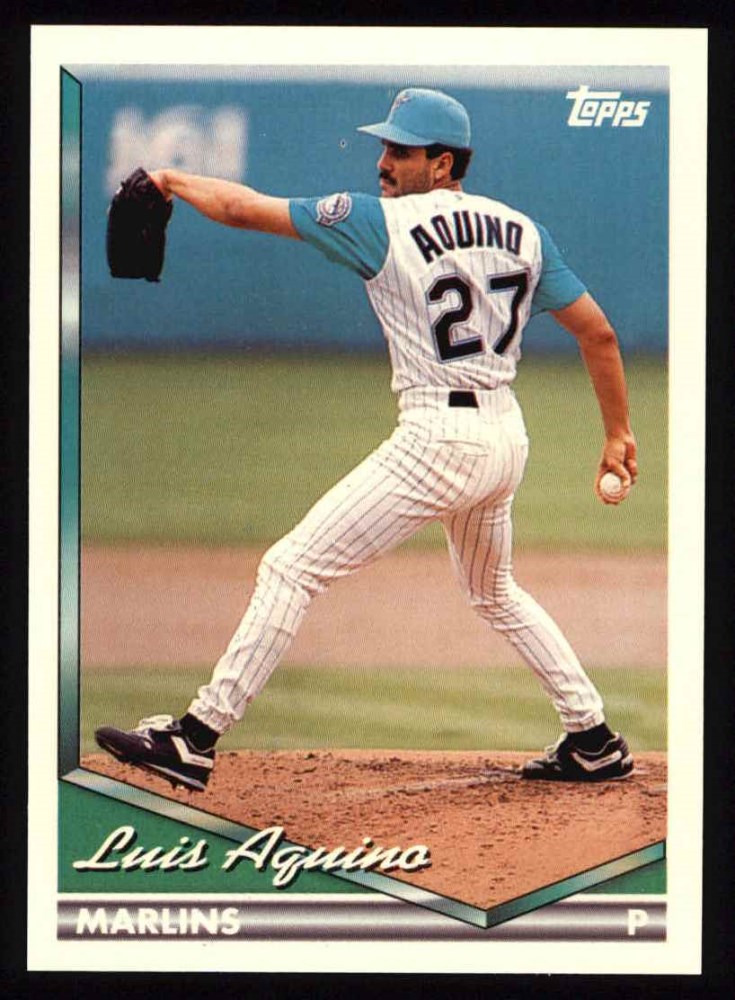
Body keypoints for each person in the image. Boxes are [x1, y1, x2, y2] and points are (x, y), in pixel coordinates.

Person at [96, 87, 638, 791]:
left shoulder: (377, 220)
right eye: (384, 146)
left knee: (291, 568)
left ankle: (195, 738)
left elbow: (244, 208)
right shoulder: (524, 231)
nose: (383, 161)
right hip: (505, 435)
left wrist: (172, 178)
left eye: (401, 150)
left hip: (438, 440)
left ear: (442, 164)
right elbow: (598, 332)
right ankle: (592, 738)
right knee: (493, 590)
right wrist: (617, 433)